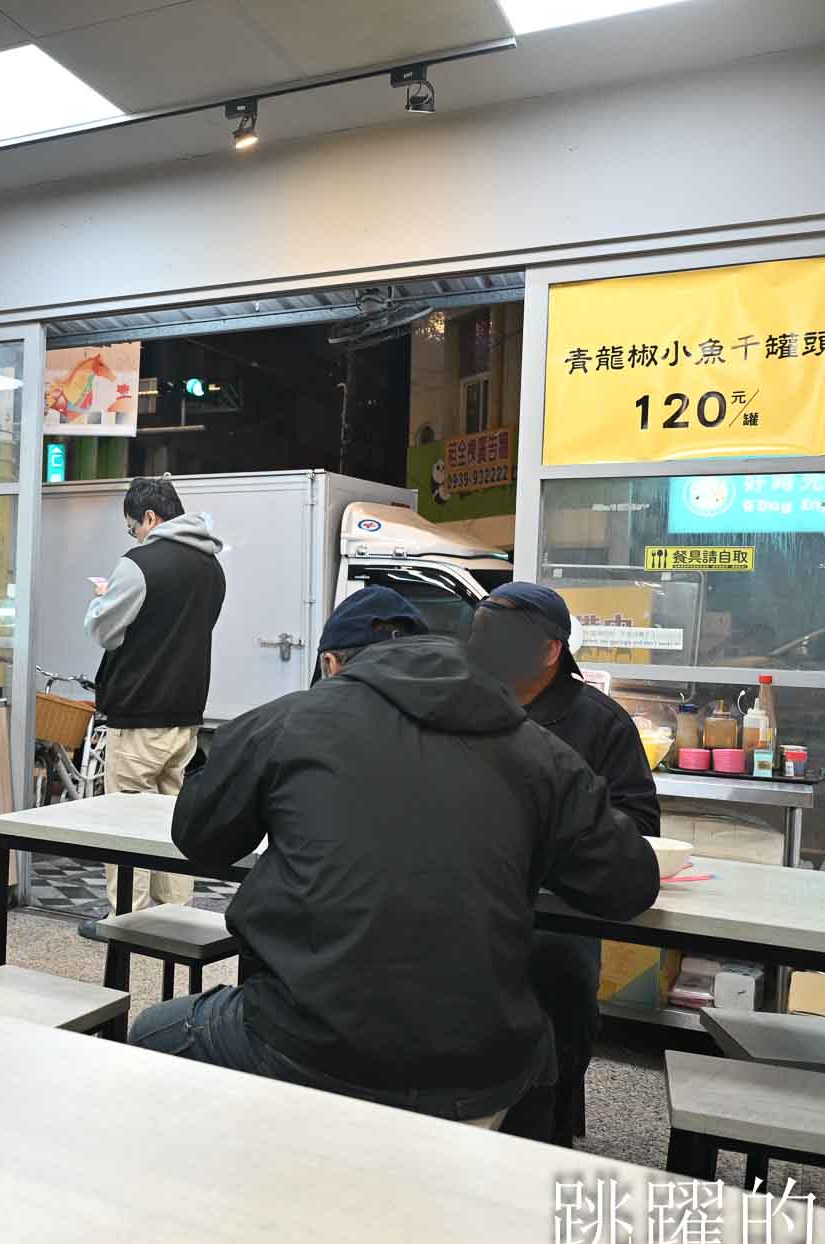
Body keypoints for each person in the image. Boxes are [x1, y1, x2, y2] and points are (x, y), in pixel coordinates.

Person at [131, 586, 658, 1127]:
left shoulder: (288, 721)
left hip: (308, 1045)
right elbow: (628, 884)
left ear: (331, 662)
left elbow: (200, 837)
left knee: (149, 1034)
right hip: (481, 1071)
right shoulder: (540, 749)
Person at [467, 582, 662, 1146]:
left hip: (557, 916)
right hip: (470, 900)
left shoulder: (598, 723)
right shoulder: (465, 702)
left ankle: (550, 1132)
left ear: (551, 650)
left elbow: (640, 825)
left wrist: (558, 837)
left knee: (556, 998)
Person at [83, 476, 224, 914]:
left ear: (149, 518)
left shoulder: (140, 563)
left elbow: (103, 630)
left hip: (139, 717)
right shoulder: (212, 568)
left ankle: (129, 919)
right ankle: (175, 914)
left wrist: (103, 598)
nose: (134, 536)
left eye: (132, 527)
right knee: (170, 823)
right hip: (185, 719)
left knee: (126, 825)